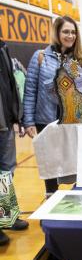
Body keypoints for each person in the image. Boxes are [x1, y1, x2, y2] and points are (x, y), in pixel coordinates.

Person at [23, 15, 82, 198]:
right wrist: (29, 121)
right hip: (47, 120)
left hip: (75, 121)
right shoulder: (41, 57)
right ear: (57, 33)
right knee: (49, 165)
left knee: (79, 164)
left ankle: (81, 202)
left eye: (73, 32)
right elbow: (30, 90)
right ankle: (50, 201)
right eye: (66, 31)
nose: (70, 35)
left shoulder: (81, 58)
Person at [0, 39, 29, 246]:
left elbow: (10, 83)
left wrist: (16, 115)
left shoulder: (3, 48)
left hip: (5, 122)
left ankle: (6, 216)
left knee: (6, 171)